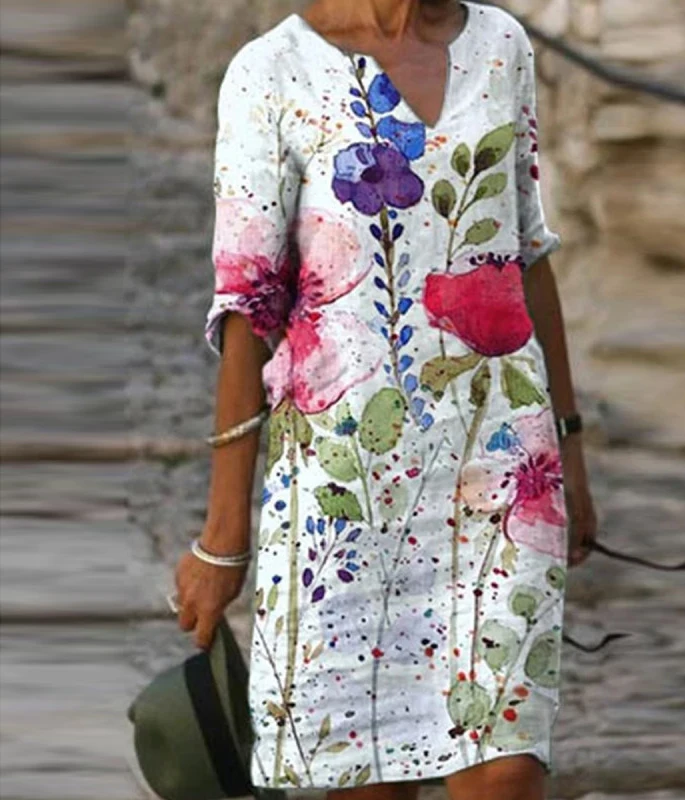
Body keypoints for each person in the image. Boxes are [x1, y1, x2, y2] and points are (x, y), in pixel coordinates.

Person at [174, 1, 597, 798]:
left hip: (502, 473)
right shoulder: (271, 72)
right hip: (345, 497)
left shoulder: (501, 45)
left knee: (507, 771)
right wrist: (223, 536)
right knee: (368, 780)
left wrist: (569, 445)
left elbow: (526, 253)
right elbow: (247, 306)